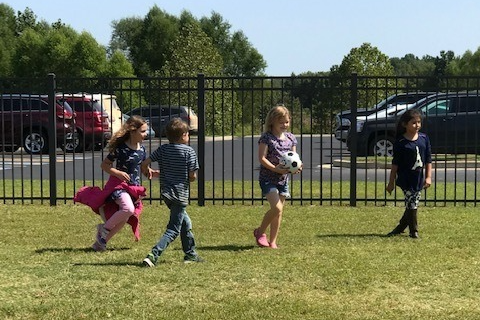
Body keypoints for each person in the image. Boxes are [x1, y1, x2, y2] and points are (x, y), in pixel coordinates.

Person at [75, 115, 149, 251]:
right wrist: (118, 173)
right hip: (119, 186)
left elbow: (144, 169)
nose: (146, 134)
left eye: (146, 131)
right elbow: (105, 165)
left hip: (133, 188)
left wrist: (152, 172)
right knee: (128, 209)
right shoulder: (121, 149)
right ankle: (104, 228)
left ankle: (100, 243)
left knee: (124, 219)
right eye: (143, 131)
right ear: (133, 131)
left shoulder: (142, 150)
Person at [141, 117, 203, 266]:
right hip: (180, 195)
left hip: (166, 193)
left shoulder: (163, 149)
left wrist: (147, 171)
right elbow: (192, 176)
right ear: (183, 135)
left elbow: (145, 163)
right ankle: (153, 254)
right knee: (173, 229)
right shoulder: (189, 152)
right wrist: (189, 177)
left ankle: (190, 254)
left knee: (185, 223)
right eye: (188, 134)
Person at [253, 104, 301, 249]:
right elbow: (261, 158)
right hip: (268, 178)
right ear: (272, 121)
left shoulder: (291, 138)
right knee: (277, 208)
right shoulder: (266, 138)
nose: (284, 125)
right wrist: (276, 169)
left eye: (287, 122)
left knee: (278, 213)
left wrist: (297, 166)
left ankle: (273, 241)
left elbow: (294, 158)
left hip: (283, 180)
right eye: (281, 122)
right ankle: (260, 232)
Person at [386, 109, 432, 239]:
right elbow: (395, 164)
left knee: (412, 203)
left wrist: (428, 177)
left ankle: (400, 227)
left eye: (419, 122)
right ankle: (413, 231)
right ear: (404, 124)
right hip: (406, 179)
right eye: (413, 123)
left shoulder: (424, 138)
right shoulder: (401, 142)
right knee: (412, 203)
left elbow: (428, 160)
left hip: (418, 179)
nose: (417, 125)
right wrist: (391, 182)